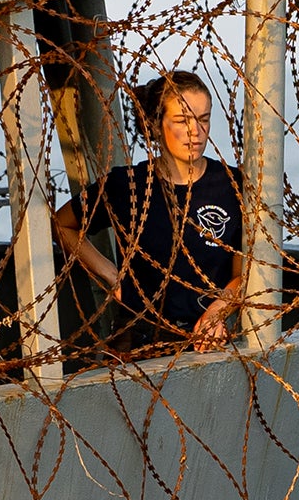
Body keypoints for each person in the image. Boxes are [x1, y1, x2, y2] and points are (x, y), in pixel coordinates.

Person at [53, 70, 244, 355]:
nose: (196, 131)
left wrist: (218, 311)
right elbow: (62, 224)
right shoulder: (127, 185)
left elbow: (245, 271)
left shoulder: (232, 185)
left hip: (207, 345)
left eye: (204, 119)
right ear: (155, 125)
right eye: (182, 120)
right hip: (138, 345)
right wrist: (111, 276)